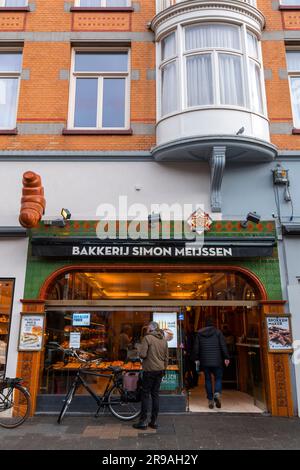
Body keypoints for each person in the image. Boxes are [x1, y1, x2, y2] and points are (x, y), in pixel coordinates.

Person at [133, 321, 168, 430]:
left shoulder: (147, 338)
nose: (147, 329)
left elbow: (143, 355)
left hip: (149, 370)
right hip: (160, 370)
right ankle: (154, 421)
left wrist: (139, 351)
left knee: (145, 395)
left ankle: (143, 422)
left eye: (148, 328)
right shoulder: (163, 340)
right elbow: (166, 358)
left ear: (151, 328)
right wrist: (164, 369)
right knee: (155, 395)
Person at [193, 318, 230, 409]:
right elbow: (223, 345)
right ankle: (217, 393)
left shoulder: (199, 334)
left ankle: (210, 400)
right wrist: (226, 357)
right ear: (213, 324)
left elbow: (196, 348)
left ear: (205, 325)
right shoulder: (218, 332)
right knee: (218, 378)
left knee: (208, 380)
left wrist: (196, 358)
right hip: (217, 361)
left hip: (205, 361)